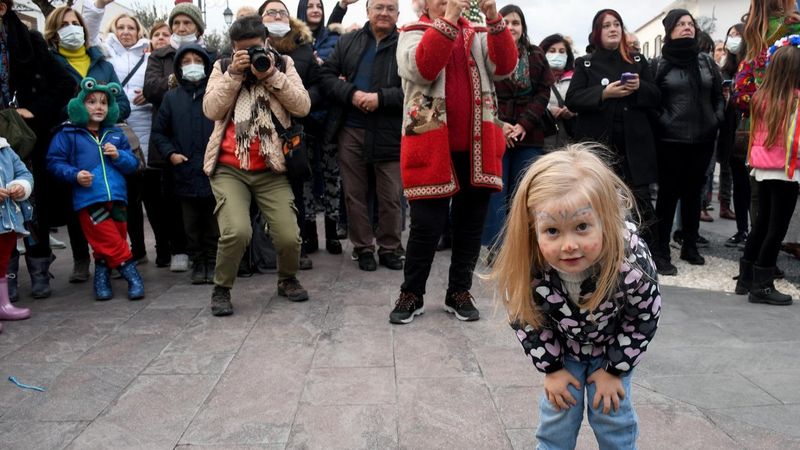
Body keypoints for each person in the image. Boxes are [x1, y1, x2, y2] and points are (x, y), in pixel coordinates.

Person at [489, 144, 661, 449]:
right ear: (533, 227)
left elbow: (643, 318)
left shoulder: (630, 262)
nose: (569, 245)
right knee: (556, 420)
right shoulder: (528, 263)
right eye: (552, 231)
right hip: (561, 349)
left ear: (606, 219)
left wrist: (615, 369)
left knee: (612, 417)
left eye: (582, 227)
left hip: (612, 348)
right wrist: (552, 368)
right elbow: (526, 319)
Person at [390, 0, 517, 324]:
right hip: (432, 146)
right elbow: (423, 67)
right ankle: (411, 292)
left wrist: (492, 17)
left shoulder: (476, 34)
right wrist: (447, 21)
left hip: (476, 147)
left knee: (470, 226)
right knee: (426, 227)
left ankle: (458, 290)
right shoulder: (412, 32)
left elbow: (505, 66)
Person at [203, 15, 311, 316]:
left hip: (271, 167)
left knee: (289, 235)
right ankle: (221, 288)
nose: (252, 55)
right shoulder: (222, 67)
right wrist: (234, 75)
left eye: (256, 48)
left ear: (266, 42)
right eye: (243, 51)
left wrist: (272, 76)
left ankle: (287, 280)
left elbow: (303, 105)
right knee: (237, 232)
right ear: (233, 49)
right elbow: (211, 108)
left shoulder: (284, 64)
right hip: (229, 168)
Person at [44, 5, 132, 286]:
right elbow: (47, 103)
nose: (72, 27)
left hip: (105, 139)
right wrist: (75, 114)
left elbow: (122, 103)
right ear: (54, 32)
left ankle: (109, 262)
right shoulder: (49, 62)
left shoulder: (102, 63)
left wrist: (104, 111)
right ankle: (83, 259)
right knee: (79, 202)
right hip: (71, 140)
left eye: (76, 22)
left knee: (112, 203)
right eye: (64, 24)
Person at [565, 9, 660, 258]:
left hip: (634, 146)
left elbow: (656, 97)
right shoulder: (585, 63)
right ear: (597, 32)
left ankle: (646, 254)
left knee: (640, 201)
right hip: (600, 145)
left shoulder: (638, 61)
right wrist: (603, 94)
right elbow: (572, 99)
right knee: (597, 200)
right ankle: (601, 253)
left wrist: (640, 88)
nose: (613, 29)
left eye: (617, 24)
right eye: (606, 25)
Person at [320, 0, 404, 272]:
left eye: (391, 8)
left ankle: (390, 248)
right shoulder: (349, 41)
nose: (384, 13)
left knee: (391, 194)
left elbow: (416, 89)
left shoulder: (406, 44)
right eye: (379, 7)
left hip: (390, 130)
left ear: (398, 14)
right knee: (354, 194)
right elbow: (326, 76)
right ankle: (363, 247)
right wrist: (353, 94)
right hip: (352, 128)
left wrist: (380, 98)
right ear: (367, 11)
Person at [0, 0, 74, 302]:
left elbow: (65, 83)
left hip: (25, 137)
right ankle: (7, 275)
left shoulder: (28, 42)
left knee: (30, 201)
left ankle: (40, 267)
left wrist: (34, 110)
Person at [46, 78, 144, 301]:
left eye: (104, 102)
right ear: (79, 104)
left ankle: (101, 278)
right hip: (89, 199)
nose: (99, 106)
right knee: (110, 240)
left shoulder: (117, 134)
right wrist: (75, 175)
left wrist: (119, 156)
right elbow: (54, 162)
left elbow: (132, 165)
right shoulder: (68, 134)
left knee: (108, 242)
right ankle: (133, 276)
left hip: (118, 197)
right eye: (92, 101)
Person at [649, 9, 724, 275]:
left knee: (694, 194)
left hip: (702, 139)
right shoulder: (659, 64)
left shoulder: (705, 61)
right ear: (669, 30)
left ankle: (690, 245)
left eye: (690, 23)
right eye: (680, 24)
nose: (687, 27)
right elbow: (651, 100)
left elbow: (718, 95)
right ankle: (661, 251)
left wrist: (716, 118)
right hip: (670, 140)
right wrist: (664, 121)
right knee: (668, 196)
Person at [82, 0, 155, 266]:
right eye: (121, 27)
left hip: (144, 130)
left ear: (138, 31)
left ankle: (140, 248)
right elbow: (87, 31)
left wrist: (150, 94)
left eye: (131, 28)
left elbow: (158, 84)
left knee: (142, 194)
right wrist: (98, 6)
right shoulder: (104, 53)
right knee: (119, 195)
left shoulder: (148, 57)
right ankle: (116, 251)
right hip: (112, 131)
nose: (126, 32)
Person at [144, 2, 213, 272]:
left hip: (206, 156)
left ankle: (209, 257)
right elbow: (151, 90)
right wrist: (174, 81)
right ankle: (185, 253)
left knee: (210, 214)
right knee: (179, 209)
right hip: (177, 148)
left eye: (188, 23)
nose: (181, 28)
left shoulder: (211, 63)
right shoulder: (160, 59)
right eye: (177, 23)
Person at [482, 4, 553, 257]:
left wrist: (523, 124)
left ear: (523, 28)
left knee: (525, 194)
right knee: (496, 194)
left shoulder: (535, 55)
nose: (511, 27)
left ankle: (525, 247)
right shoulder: (487, 51)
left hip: (528, 134)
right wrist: (502, 126)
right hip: (497, 131)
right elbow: (484, 92)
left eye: (516, 23)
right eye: (506, 22)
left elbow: (543, 91)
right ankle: (497, 248)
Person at [734, 38, 800, 306]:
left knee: (761, 225)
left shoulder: (761, 97)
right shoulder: (795, 100)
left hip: (762, 167)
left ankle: (746, 278)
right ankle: (762, 285)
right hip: (786, 169)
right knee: (777, 229)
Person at [259, 0, 324, 270]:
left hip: (293, 130)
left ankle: (295, 248)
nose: (276, 16)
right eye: (270, 12)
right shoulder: (250, 45)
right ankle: (261, 250)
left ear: (290, 18)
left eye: (281, 13)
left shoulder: (303, 48)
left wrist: (302, 100)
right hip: (259, 130)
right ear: (260, 18)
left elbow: (319, 85)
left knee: (295, 191)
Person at [152, 45, 218, 285]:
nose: (192, 64)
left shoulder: (214, 94)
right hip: (184, 172)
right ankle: (198, 262)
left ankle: (212, 262)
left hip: (212, 171)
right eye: (186, 60)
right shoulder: (172, 98)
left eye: (197, 60)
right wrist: (171, 154)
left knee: (214, 222)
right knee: (190, 224)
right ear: (179, 67)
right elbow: (160, 133)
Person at [718, 23, 751, 247]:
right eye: (730, 35)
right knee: (740, 185)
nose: (733, 39)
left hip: (750, 132)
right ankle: (742, 230)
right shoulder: (724, 70)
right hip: (732, 133)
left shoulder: (753, 66)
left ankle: (755, 232)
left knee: (754, 189)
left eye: (738, 35)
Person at [0, 137, 34, 332]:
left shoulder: (5, 148)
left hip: (6, 220)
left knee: (2, 262)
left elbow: (24, 173)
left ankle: (3, 304)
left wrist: (20, 186)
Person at [540, 33, 577, 150]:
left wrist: (574, 110)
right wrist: (548, 111)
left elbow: (585, 102)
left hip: (571, 144)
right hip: (543, 144)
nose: (557, 54)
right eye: (552, 51)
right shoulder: (536, 79)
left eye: (562, 51)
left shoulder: (576, 78)